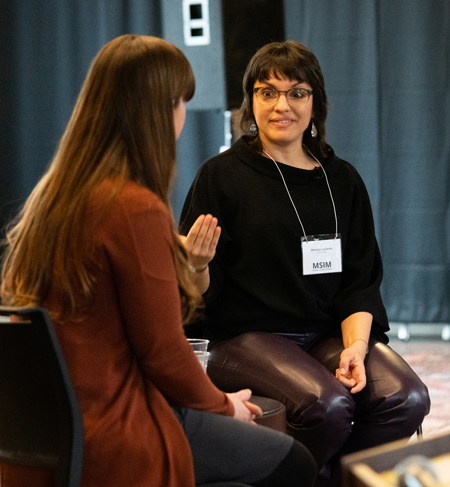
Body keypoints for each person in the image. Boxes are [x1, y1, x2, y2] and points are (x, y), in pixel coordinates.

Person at [0, 35, 317, 487]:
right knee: (294, 463)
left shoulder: (50, 201)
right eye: (179, 103)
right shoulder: (133, 208)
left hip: (41, 437)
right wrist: (226, 406)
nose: (183, 118)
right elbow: (164, 353)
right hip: (116, 429)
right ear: (156, 113)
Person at [179, 41, 431, 486]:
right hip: (245, 339)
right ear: (250, 102)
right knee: (328, 405)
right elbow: (193, 294)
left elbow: (360, 279)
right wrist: (196, 264)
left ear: (315, 103)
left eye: (297, 92)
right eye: (267, 92)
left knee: (406, 398)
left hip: (326, 335)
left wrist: (355, 346)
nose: (282, 106)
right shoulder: (221, 177)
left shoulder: (343, 179)